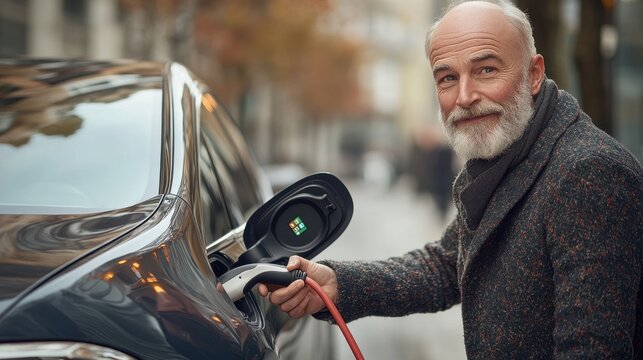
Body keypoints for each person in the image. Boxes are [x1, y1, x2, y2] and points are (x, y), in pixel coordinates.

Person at [258, 0, 643, 358]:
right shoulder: (509, 153)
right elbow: (447, 265)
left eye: (486, 70)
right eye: (447, 78)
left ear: (534, 74)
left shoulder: (587, 172)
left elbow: (592, 349)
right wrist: (339, 284)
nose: (465, 96)